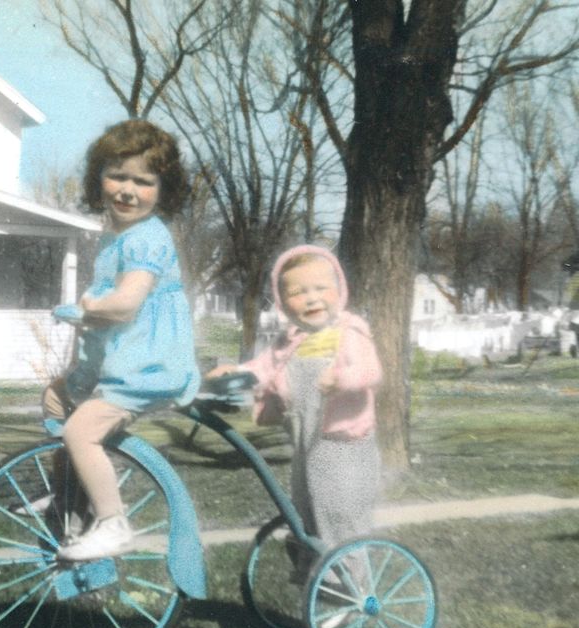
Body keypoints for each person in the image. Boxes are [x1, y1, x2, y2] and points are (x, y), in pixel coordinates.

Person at [42, 119, 200, 562]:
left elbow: (128, 304)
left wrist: (90, 307)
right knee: (56, 399)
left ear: (163, 190)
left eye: (143, 182)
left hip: (147, 365)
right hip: (119, 357)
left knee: (81, 430)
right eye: (118, 176)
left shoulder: (147, 238)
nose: (128, 190)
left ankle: (113, 522)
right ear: (99, 180)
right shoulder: (117, 236)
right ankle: (69, 494)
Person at [208, 243, 382, 580]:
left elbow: (370, 371)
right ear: (283, 302)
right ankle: (312, 567)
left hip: (345, 443)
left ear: (340, 291)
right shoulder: (289, 341)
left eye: (320, 288)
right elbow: (264, 367)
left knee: (339, 508)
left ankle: (346, 579)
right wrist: (236, 371)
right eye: (298, 293)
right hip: (306, 440)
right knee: (306, 504)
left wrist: (342, 379)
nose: (311, 299)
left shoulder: (349, 332)